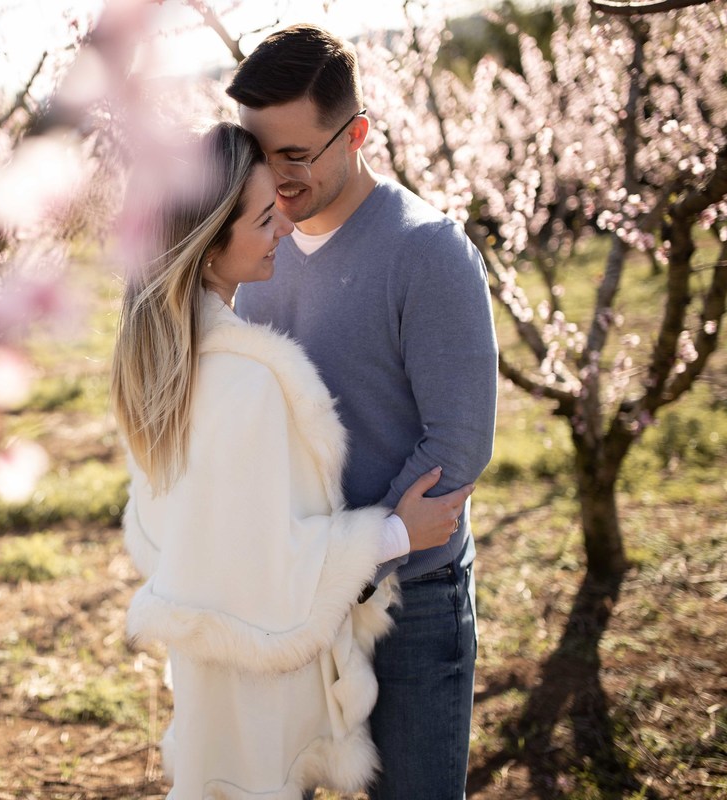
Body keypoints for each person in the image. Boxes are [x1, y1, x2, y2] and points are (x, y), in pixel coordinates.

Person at [111, 122, 476, 799]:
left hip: (212, 678)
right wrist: (395, 534)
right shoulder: (243, 379)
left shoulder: (161, 363)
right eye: (259, 218)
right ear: (208, 248)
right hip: (263, 689)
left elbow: (168, 534)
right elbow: (265, 565)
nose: (282, 223)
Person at [225, 25, 499, 800]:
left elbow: (457, 447)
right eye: (258, 153)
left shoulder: (428, 252)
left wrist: (350, 560)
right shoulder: (253, 255)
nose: (275, 179)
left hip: (408, 601)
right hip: (288, 599)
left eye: (296, 155)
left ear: (358, 134)